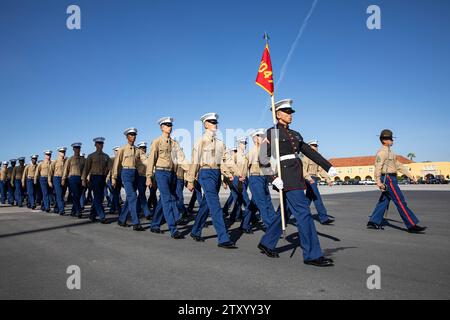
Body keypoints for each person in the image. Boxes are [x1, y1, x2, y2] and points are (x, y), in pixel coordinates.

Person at [257, 99, 338, 267]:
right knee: (304, 214)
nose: (290, 115)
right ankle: (313, 255)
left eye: (291, 113)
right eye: (286, 112)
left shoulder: (295, 134)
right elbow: (262, 158)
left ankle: (266, 242)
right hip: (286, 177)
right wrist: (273, 178)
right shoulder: (272, 133)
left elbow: (309, 152)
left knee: (284, 214)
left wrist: (328, 167)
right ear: (278, 115)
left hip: (296, 176)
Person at [186, 113, 237, 249]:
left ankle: (195, 231)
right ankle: (223, 238)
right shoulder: (200, 141)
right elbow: (195, 160)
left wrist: (237, 172)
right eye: (212, 122)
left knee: (206, 204)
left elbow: (227, 159)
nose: (215, 124)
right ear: (206, 124)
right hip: (205, 173)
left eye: (216, 122)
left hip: (216, 173)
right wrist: (190, 180)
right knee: (215, 205)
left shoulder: (220, 143)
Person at [367, 129, 427, 233]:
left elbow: (399, 165)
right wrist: (378, 182)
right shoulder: (381, 153)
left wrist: (410, 176)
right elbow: (378, 167)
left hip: (392, 178)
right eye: (390, 138)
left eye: (391, 138)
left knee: (384, 201)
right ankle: (411, 225)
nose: (392, 140)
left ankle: (373, 221)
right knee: (400, 201)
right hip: (388, 178)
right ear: (384, 140)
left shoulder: (391, 153)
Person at [146, 117, 189, 239]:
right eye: (167, 125)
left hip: (171, 174)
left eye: (170, 125)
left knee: (164, 200)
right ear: (162, 127)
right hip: (161, 173)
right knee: (168, 199)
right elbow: (151, 160)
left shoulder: (175, 143)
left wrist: (190, 171)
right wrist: (149, 176)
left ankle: (154, 224)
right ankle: (173, 229)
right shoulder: (157, 141)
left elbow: (181, 158)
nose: (169, 127)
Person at [112, 127, 145, 231]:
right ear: (127, 137)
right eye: (131, 135)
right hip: (125, 173)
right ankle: (136, 223)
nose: (133, 136)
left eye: (134, 135)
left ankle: (122, 219)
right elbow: (116, 164)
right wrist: (114, 177)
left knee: (130, 199)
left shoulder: (138, 150)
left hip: (135, 173)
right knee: (133, 196)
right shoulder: (122, 149)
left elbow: (144, 161)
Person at [247, 128, 276, 230]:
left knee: (267, 201)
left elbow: (270, 166)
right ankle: (270, 226)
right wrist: (241, 177)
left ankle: (245, 224)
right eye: (260, 136)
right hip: (255, 178)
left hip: (264, 178)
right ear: (255, 139)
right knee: (262, 203)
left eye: (264, 136)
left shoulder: (265, 151)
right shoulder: (253, 151)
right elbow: (245, 165)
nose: (263, 138)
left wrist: (274, 178)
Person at [303, 140, 334, 225]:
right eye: (313, 145)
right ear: (309, 147)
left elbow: (321, 170)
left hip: (315, 178)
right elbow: (303, 170)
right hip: (309, 178)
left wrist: (328, 180)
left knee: (308, 199)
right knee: (317, 197)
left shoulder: (316, 157)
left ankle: (300, 215)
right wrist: (308, 178)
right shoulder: (306, 157)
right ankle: (324, 218)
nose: (315, 147)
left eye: (316, 145)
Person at [227, 137, 254, 233]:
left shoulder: (245, 155)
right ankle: (245, 225)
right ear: (238, 144)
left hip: (245, 179)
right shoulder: (234, 155)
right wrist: (230, 176)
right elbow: (228, 166)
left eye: (246, 143)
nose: (245, 145)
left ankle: (233, 216)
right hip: (237, 179)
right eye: (243, 143)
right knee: (247, 202)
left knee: (238, 201)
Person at [82, 137, 111, 224]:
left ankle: (92, 215)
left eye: (101, 143)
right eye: (98, 143)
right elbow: (86, 169)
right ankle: (102, 216)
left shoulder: (106, 156)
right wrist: (83, 179)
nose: (100, 145)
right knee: (98, 197)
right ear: (95, 145)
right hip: (94, 178)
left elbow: (111, 167)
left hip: (102, 178)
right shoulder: (91, 156)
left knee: (99, 197)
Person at [62, 143, 85, 218]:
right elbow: (66, 169)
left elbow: (86, 170)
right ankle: (78, 211)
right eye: (76, 148)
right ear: (73, 149)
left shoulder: (83, 159)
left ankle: (73, 211)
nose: (77, 149)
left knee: (78, 196)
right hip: (72, 178)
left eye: (78, 148)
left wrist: (85, 179)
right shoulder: (70, 159)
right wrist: (63, 179)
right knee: (75, 195)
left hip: (81, 178)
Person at [136, 141, 152, 219]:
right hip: (139, 177)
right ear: (139, 148)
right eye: (142, 148)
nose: (144, 149)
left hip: (145, 177)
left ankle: (137, 209)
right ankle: (147, 212)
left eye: (145, 148)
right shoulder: (136, 157)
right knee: (142, 194)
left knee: (141, 195)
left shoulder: (146, 156)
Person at [49, 147, 67, 215]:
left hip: (64, 178)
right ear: (59, 153)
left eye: (64, 152)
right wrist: (49, 181)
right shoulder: (55, 162)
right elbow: (50, 172)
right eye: (61, 152)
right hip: (56, 178)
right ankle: (61, 209)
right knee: (59, 194)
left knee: (62, 194)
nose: (63, 153)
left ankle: (56, 208)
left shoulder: (66, 161)